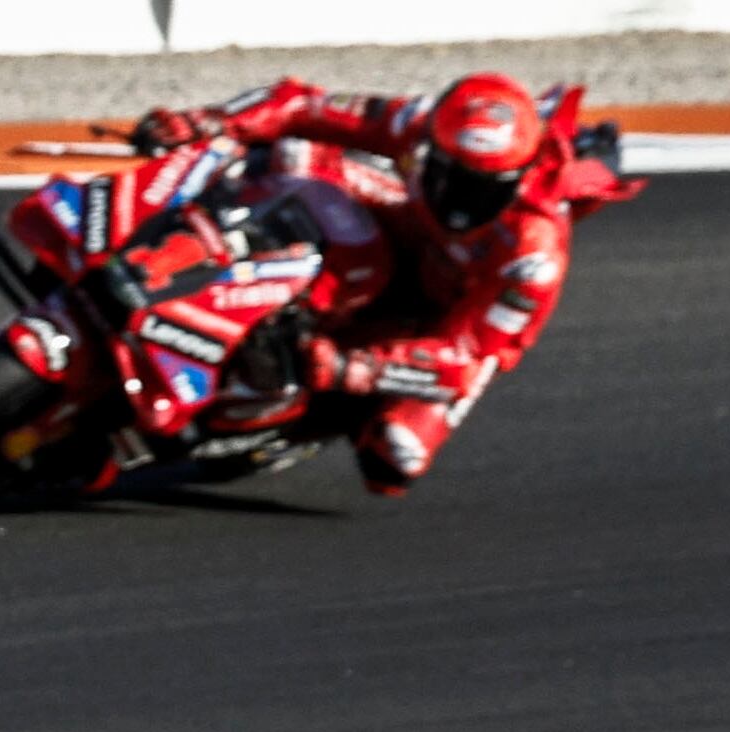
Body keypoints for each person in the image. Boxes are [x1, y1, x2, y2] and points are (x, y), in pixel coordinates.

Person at [124, 72, 638, 494]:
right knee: (294, 157)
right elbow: (303, 105)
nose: (456, 197)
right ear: (433, 148)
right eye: (447, 172)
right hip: (402, 225)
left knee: (397, 454)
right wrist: (209, 121)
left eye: (481, 188)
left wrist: (353, 369)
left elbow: (465, 356)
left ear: (518, 181)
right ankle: (185, 246)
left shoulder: (533, 256)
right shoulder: (416, 124)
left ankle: (302, 412)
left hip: (446, 316)